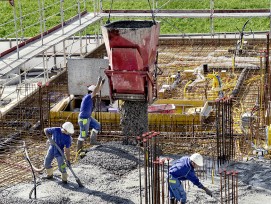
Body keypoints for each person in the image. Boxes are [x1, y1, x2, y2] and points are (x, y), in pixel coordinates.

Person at [76, 76, 105, 155]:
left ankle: (93, 140)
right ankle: (79, 150)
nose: (96, 96)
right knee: (83, 134)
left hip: (88, 117)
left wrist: (102, 84)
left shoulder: (91, 98)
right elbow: (95, 91)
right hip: (83, 119)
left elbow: (97, 90)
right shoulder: (88, 97)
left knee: (97, 125)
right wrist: (98, 82)